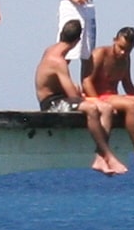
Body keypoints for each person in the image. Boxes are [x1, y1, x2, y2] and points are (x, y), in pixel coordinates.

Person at [34, 21, 127, 176]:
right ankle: (108, 154)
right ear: (77, 41)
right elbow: (73, 96)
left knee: (106, 107)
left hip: (61, 98)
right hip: (51, 103)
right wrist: (84, 96)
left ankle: (100, 157)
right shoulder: (59, 61)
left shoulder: (51, 49)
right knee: (91, 108)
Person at [83, 26, 134, 171]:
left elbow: (127, 83)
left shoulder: (126, 58)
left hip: (115, 96)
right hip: (101, 96)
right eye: (120, 47)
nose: (123, 52)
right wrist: (97, 102)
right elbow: (86, 81)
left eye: (128, 49)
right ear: (114, 40)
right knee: (130, 105)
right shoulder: (100, 53)